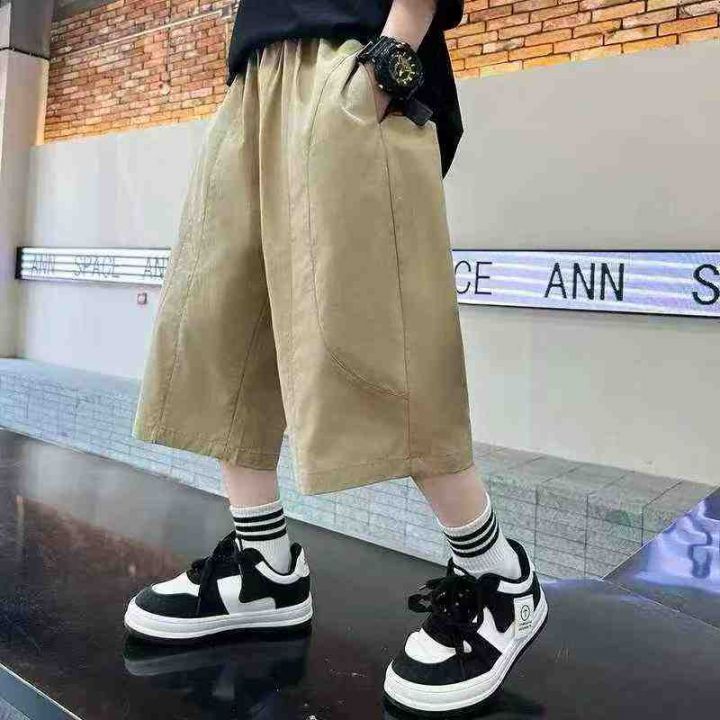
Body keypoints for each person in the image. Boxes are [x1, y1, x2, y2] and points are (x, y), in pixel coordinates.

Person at [123, 0, 548, 713]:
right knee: (222, 324)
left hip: (352, 57)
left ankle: (498, 576)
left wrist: (388, 59)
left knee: (381, 336)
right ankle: (266, 568)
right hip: (256, 73)